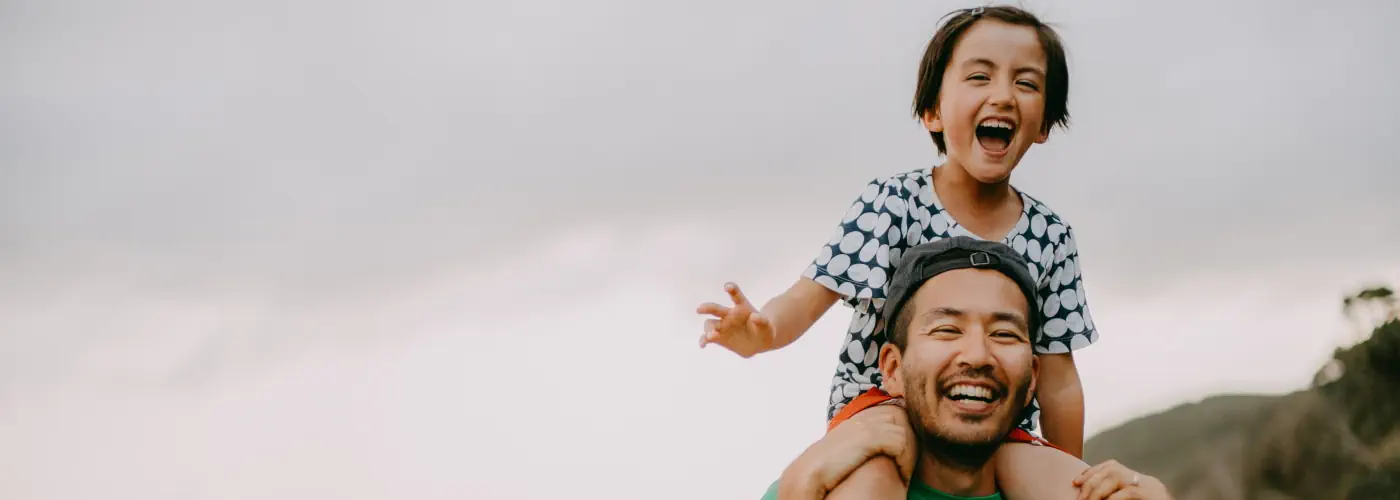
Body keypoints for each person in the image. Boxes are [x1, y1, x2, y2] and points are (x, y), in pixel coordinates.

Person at [698, 5, 1101, 498]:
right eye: (980, 76)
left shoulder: (1050, 234)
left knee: (1061, 487)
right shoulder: (892, 203)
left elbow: (1058, 378)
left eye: (1026, 83)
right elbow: (809, 295)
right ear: (933, 111)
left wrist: (1072, 468)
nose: (1003, 95)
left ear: (1044, 124)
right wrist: (764, 332)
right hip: (881, 404)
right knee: (877, 471)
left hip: (991, 418)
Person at [758, 237, 1173, 500]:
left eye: (1005, 334)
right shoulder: (820, 487)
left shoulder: (1080, 492)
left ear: (1033, 376)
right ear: (892, 369)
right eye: (946, 329)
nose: (977, 355)